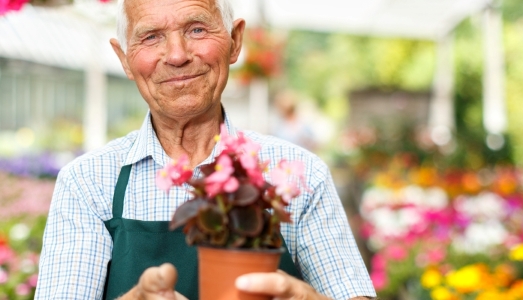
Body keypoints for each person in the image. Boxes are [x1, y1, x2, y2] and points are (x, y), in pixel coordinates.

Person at [34, 0, 376, 299]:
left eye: (197, 29)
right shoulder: (87, 182)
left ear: (235, 41)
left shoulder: (298, 172)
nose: (178, 55)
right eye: (151, 36)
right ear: (124, 59)